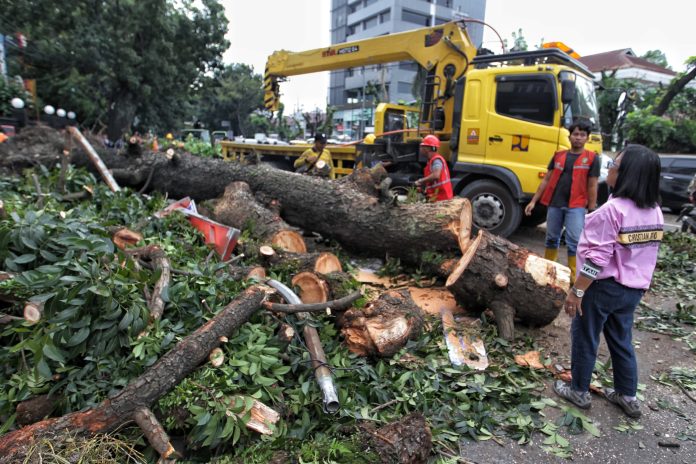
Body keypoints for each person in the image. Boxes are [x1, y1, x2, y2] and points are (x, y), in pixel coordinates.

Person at [553, 144, 663, 419]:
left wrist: (577, 291)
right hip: (633, 290)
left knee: (586, 337)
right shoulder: (655, 212)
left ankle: (578, 391)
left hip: (602, 288)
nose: (610, 169)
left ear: (627, 175)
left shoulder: (612, 210)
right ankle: (628, 396)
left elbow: (596, 260)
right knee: (621, 340)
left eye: (614, 164)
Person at [524, 119, 599, 282]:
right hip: (555, 204)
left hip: (577, 206)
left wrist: (591, 210)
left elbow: (592, 184)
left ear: (587, 138)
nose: (578, 138)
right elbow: (546, 180)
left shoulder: (592, 158)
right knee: (551, 238)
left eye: (582, 135)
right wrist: (533, 201)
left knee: (574, 241)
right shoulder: (559, 155)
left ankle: (573, 277)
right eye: (575, 134)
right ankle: (549, 271)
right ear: (570, 136)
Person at [414, 134, 453, 202]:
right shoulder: (431, 161)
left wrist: (420, 181)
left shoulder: (436, 160)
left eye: (422, 146)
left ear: (427, 149)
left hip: (442, 199)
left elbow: (436, 175)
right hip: (438, 197)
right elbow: (433, 183)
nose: (420, 148)